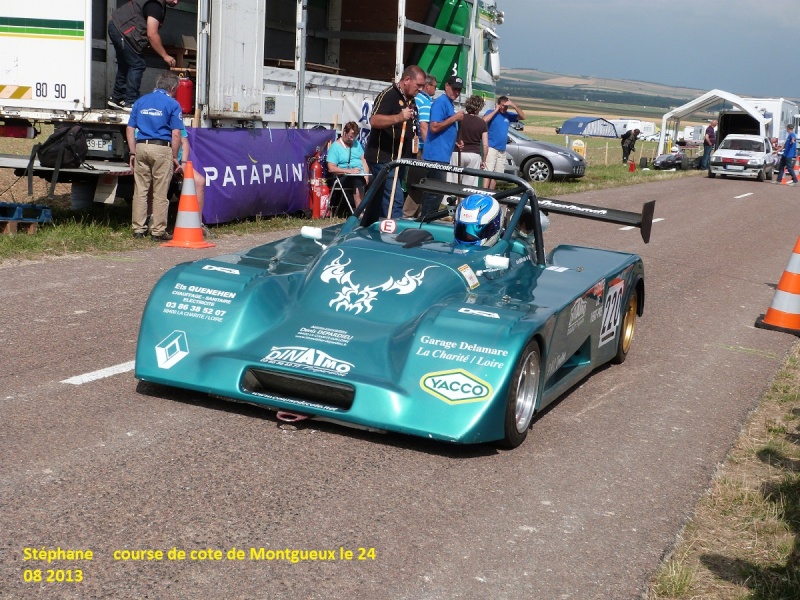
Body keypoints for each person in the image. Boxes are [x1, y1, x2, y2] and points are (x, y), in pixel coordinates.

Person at [126, 71, 183, 240]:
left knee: (141, 190)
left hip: (141, 146)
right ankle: (158, 231)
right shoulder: (173, 104)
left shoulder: (140, 101)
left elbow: (129, 128)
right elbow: (176, 133)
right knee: (160, 191)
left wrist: (132, 152)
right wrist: (174, 156)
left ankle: (138, 229)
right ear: (172, 88)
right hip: (161, 148)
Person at [365, 65, 425, 219]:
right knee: (395, 199)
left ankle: (371, 227)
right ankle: (393, 235)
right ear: (406, 80)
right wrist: (399, 117)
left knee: (380, 198)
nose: (421, 89)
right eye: (418, 85)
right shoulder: (389, 95)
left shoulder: (411, 100)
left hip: (399, 159)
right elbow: (374, 120)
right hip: (383, 158)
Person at [108, 0, 180, 112]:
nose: (176, 2)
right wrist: (165, 55)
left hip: (117, 27)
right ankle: (130, 101)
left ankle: (117, 98)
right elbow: (152, 34)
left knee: (125, 64)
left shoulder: (157, 4)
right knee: (138, 64)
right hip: (122, 30)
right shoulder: (155, 6)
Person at [420, 75, 465, 216]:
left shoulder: (448, 104)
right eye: (454, 89)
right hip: (436, 156)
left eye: (459, 90)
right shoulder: (441, 103)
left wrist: (455, 142)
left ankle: (427, 220)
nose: (456, 92)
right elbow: (433, 127)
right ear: (446, 86)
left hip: (442, 155)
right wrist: (454, 118)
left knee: (436, 193)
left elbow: (444, 129)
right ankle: (425, 222)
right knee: (434, 193)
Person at [402, 74, 436, 219]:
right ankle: (407, 214)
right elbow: (423, 126)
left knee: (416, 182)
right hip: (421, 147)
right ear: (427, 86)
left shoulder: (416, 99)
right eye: (435, 86)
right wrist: (429, 147)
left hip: (413, 145)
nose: (436, 89)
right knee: (419, 183)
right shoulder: (425, 102)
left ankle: (417, 214)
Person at [483, 96, 525, 189]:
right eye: (503, 106)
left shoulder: (508, 115)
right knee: (488, 173)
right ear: (498, 104)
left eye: (506, 106)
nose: (504, 108)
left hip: (502, 149)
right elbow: (484, 121)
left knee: (496, 175)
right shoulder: (491, 113)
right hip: (491, 147)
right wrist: (496, 110)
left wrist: (513, 105)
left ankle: (491, 194)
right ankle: (484, 192)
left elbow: (522, 116)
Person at [326, 121, 370, 208]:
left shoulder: (357, 144)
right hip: (344, 176)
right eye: (350, 136)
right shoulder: (335, 147)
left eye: (354, 137)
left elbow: (363, 160)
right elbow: (331, 168)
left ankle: (376, 212)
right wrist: (349, 171)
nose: (352, 139)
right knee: (358, 181)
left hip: (360, 173)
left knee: (377, 180)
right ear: (344, 132)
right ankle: (359, 212)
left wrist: (366, 175)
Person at [456, 95, 489, 187]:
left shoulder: (459, 118)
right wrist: (483, 160)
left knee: (452, 182)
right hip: (474, 155)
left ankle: (451, 200)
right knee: (469, 186)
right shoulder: (482, 123)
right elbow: (485, 145)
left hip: (457, 152)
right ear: (479, 108)